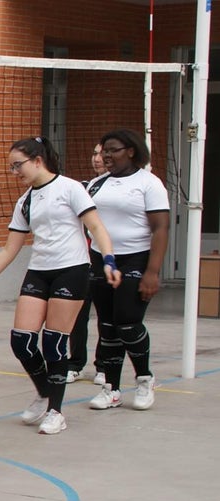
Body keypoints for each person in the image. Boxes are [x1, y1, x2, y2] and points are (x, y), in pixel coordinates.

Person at [0, 137, 121, 435]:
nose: (15, 172)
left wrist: (109, 260)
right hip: (39, 272)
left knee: (53, 342)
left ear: (38, 160)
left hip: (72, 270)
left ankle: (56, 411)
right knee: (21, 341)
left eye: (18, 165)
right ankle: (44, 392)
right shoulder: (25, 200)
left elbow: (96, 227)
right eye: (11, 167)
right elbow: (9, 249)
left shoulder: (70, 188)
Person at [84, 129, 170, 411]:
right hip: (101, 259)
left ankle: (144, 378)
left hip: (136, 259)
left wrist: (152, 272)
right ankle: (111, 389)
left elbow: (160, 228)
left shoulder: (149, 183)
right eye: (104, 151)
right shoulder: (97, 184)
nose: (106, 156)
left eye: (113, 150)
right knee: (107, 326)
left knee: (128, 323)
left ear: (131, 151)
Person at [68, 143, 110, 385]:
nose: (97, 158)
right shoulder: (83, 187)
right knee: (78, 314)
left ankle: (103, 365)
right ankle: (75, 364)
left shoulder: (117, 189)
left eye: (102, 154)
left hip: (104, 257)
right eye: (94, 153)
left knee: (105, 315)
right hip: (81, 260)